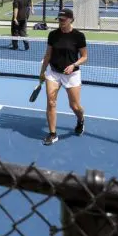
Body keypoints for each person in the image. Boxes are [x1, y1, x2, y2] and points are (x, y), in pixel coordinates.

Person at [38, 8, 87, 146]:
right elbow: (48, 55)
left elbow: (84, 57)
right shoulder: (53, 35)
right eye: (59, 19)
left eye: (63, 19)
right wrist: (42, 72)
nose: (60, 22)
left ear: (71, 19)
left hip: (72, 75)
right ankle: (52, 134)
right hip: (53, 73)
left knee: (75, 106)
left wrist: (73, 65)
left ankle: (81, 120)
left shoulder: (78, 36)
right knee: (51, 102)